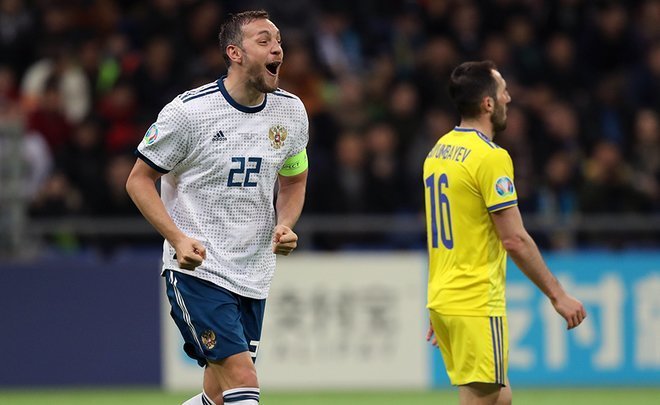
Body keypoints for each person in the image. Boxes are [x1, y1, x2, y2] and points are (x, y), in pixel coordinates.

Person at [126, 10, 308, 405]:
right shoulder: (189, 113)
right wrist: (177, 238)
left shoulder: (292, 112)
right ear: (235, 53)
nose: (277, 49)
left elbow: (294, 179)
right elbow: (138, 180)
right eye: (264, 41)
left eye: (278, 41)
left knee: (219, 395)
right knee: (244, 379)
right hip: (199, 271)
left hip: (254, 273)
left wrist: (286, 222)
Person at [423, 60, 586, 405]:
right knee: (485, 397)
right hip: (475, 300)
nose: (509, 98)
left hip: (446, 297)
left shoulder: (438, 152)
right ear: (488, 104)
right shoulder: (490, 157)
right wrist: (557, 295)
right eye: (503, 92)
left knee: (501, 396)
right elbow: (514, 238)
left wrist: (446, 307)